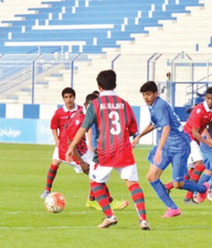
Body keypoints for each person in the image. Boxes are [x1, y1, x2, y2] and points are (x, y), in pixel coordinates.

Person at [66, 70, 150, 230]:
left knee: (95, 182)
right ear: (115, 85)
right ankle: (143, 220)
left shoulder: (95, 104)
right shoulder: (124, 103)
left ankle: (109, 216)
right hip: (124, 149)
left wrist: (71, 147)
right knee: (132, 183)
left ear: (99, 86)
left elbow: (84, 127)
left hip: (105, 151)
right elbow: (133, 129)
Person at [132, 81, 210, 218]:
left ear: (156, 94)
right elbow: (153, 124)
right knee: (151, 176)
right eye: (144, 95)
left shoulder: (160, 106)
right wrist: (139, 136)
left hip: (180, 146)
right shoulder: (153, 105)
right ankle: (173, 208)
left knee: (178, 184)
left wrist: (159, 150)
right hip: (168, 145)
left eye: (148, 94)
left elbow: (166, 128)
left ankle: (203, 188)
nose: (146, 97)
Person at [165, 87, 212, 204]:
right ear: (205, 98)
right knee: (200, 166)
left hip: (194, 139)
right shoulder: (199, 110)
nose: (210, 101)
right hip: (187, 137)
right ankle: (188, 198)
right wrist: (211, 145)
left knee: (190, 172)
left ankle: (167, 187)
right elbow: (195, 132)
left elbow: (209, 122)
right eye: (208, 98)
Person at [79, 93, 129, 211]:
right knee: (96, 175)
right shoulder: (81, 116)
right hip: (79, 151)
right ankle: (107, 202)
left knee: (96, 174)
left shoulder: (97, 115)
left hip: (90, 149)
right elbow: (82, 132)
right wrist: (89, 146)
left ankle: (93, 200)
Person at [40, 87, 84, 199]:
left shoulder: (81, 110)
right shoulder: (59, 113)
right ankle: (47, 190)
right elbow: (53, 127)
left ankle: (94, 194)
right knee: (54, 163)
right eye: (66, 97)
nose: (68, 100)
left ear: (74, 97)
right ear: (63, 99)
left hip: (76, 146)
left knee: (86, 169)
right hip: (62, 145)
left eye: (70, 97)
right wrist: (57, 140)